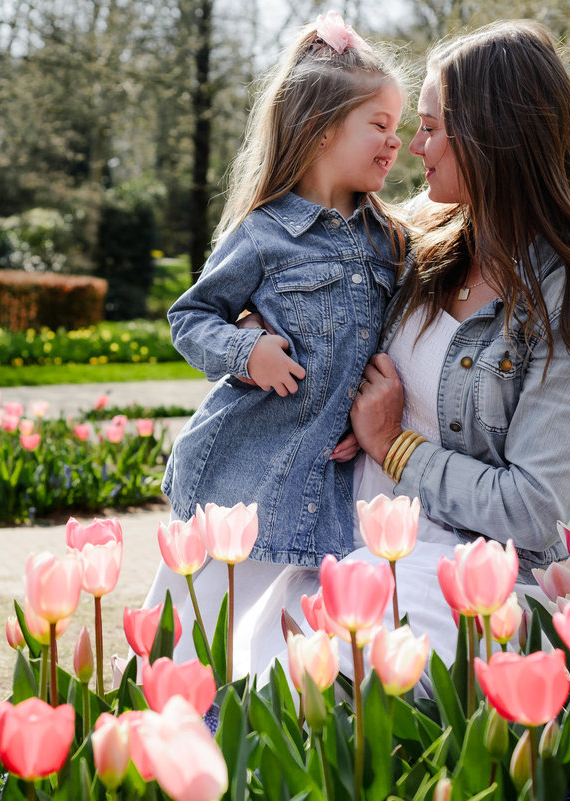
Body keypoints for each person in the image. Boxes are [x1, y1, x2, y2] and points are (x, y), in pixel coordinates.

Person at [239, 19, 570, 681]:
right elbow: (282, 262)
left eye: (431, 126)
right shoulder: (411, 242)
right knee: (224, 633)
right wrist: (252, 323)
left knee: (317, 685)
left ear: (491, 135)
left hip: (480, 578)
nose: (414, 145)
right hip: (351, 538)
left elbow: (529, 507)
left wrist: (392, 445)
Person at [142, 12, 408, 662]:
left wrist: (362, 410)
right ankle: (146, 731)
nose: (395, 142)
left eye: (400, 128)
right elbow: (191, 317)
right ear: (321, 133)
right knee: (186, 624)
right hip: (244, 465)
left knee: (293, 639)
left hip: (331, 483)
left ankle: (247, 747)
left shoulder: (393, 241)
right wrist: (246, 351)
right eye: (379, 125)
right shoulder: (263, 233)